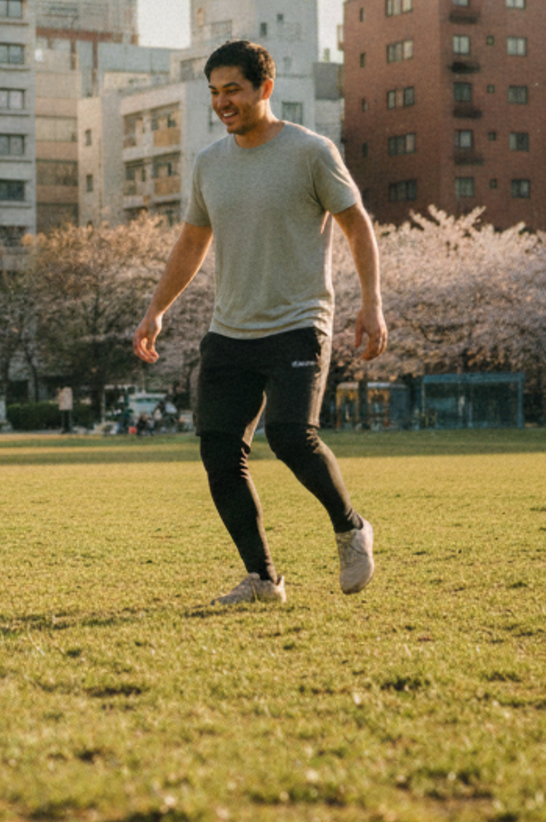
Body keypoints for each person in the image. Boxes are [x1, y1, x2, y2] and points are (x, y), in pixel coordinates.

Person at [133, 39, 383, 606]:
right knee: (220, 453)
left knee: (292, 436)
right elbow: (192, 241)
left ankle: (351, 528)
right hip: (230, 330)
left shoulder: (311, 152)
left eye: (234, 90)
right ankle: (263, 579)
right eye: (214, 92)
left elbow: (357, 224)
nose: (223, 102)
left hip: (298, 321)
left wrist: (372, 303)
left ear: (264, 88)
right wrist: (155, 309)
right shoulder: (208, 163)